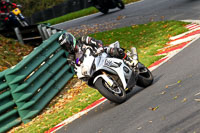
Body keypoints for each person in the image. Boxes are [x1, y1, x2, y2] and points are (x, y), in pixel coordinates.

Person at [58, 32, 138, 68]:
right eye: (65, 46)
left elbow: (96, 41)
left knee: (111, 50)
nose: (67, 47)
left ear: (71, 40)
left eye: (67, 44)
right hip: (92, 66)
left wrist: (99, 47)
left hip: (100, 54)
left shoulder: (82, 40)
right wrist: (77, 64)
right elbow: (75, 65)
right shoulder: (71, 57)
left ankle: (130, 60)